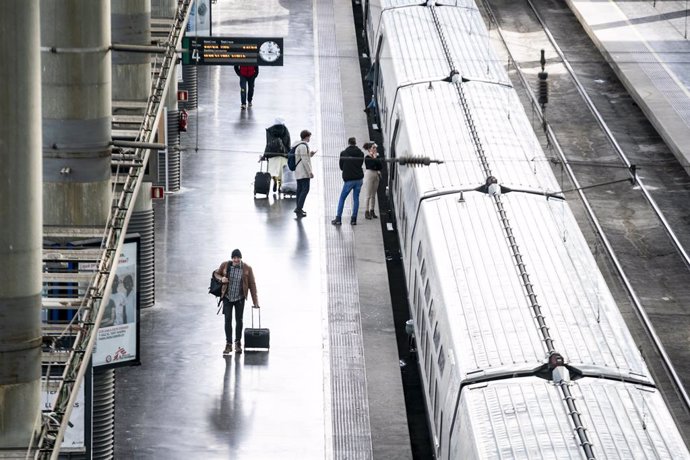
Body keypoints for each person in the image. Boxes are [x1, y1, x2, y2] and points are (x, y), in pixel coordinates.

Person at [213, 249, 260, 354]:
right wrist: (222, 279)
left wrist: (255, 301)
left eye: (238, 257)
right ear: (232, 258)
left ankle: (238, 343)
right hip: (227, 298)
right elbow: (216, 273)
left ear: (240, 258)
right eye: (234, 257)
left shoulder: (247, 268)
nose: (236, 259)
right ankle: (228, 344)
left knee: (239, 320)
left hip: (239, 298)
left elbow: (252, 285)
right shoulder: (225, 265)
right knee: (228, 319)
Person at [331, 137, 364, 226]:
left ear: (348, 143)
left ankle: (338, 219)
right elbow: (360, 164)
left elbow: (341, 167)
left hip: (349, 180)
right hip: (359, 179)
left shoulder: (344, 153)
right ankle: (353, 220)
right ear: (355, 143)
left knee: (342, 198)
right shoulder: (361, 153)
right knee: (356, 199)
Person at [263, 118, 291, 192]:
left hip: (272, 154)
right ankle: (280, 184)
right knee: (282, 172)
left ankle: (275, 180)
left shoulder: (269, 130)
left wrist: (265, 155)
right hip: (283, 153)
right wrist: (289, 153)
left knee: (273, 170)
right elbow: (287, 142)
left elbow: (268, 143)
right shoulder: (285, 130)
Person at [293, 130, 317, 218]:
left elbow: (303, 157)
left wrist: (310, 154)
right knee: (305, 189)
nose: (310, 138)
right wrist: (310, 172)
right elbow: (304, 160)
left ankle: (298, 208)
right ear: (306, 137)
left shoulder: (298, 145)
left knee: (299, 190)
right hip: (303, 172)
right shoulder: (303, 146)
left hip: (298, 171)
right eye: (309, 137)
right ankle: (299, 208)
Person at [362, 142, 383, 219]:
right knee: (368, 195)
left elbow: (380, 166)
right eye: (373, 148)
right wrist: (375, 159)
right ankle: (366, 211)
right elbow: (370, 165)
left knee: (373, 195)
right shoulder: (367, 157)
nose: (375, 149)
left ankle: (372, 210)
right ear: (369, 149)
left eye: (375, 147)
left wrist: (375, 158)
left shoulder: (377, 156)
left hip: (376, 174)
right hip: (369, 174)